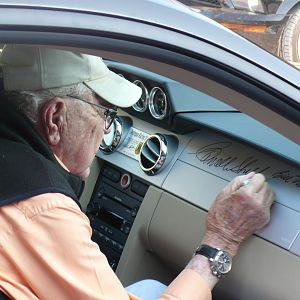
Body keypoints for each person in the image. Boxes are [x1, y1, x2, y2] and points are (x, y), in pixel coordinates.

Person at [0, 44, 275, 300]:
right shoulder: (40, 208)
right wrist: (220, 241)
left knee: (152, 287)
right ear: (55, 119)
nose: (108, 129)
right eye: (105, 112)